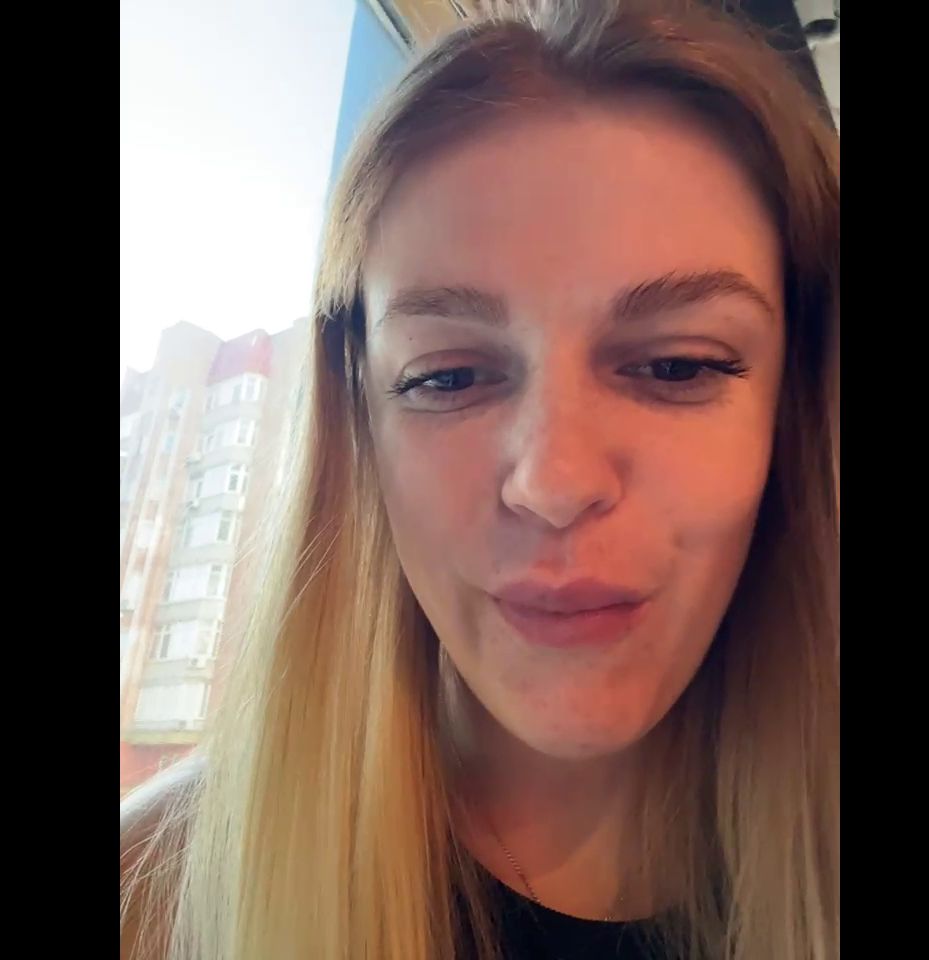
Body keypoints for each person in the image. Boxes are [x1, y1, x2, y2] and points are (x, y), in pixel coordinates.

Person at [120, 2, 840, 958]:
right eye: (447, 377)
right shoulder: (153, 903)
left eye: (679, 365)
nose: (554, 482)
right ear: (361, 430)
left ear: (794, 410)